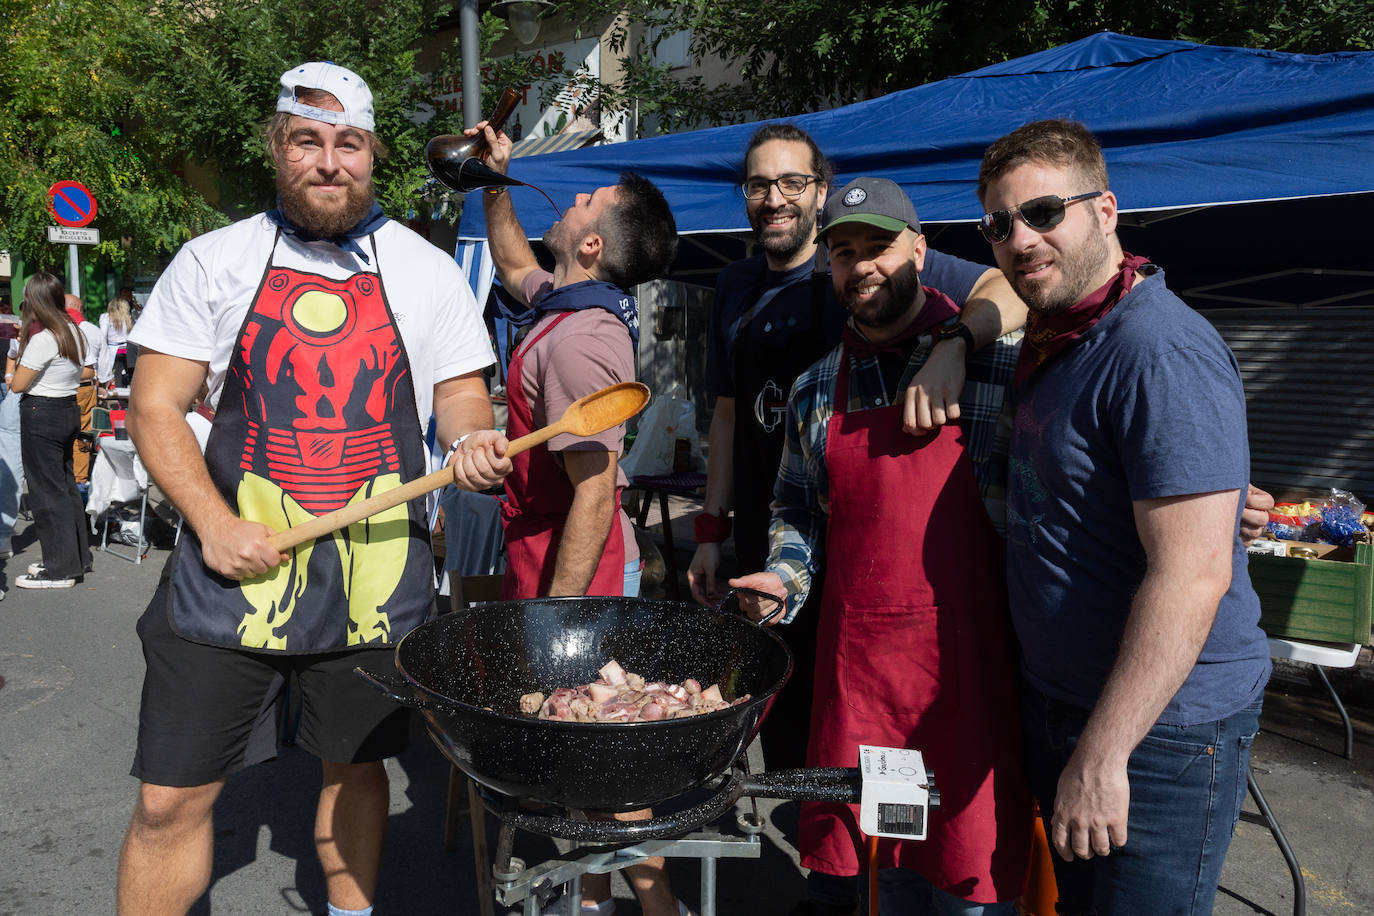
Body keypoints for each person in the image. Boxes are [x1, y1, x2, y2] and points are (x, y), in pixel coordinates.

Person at [116, 62, 508, 916]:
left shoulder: (425, 270)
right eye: (308, 141)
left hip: (375, 570)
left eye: (350, 143)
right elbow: (154, 405)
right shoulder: (214, 260)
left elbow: (460, 393)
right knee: (168, 800)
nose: (330, 162)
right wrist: (214, 527)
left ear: (371, 154)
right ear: (277, 149)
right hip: (229, 575)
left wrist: (473, 437)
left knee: (355, 767)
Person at [977, 119, 1271, 915]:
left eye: (1043, 213)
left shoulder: (1155, 347)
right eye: (1000, 225)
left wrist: (1104, 756)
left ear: (1105, 210)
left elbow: (1194, 572)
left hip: (1157, 736)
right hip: (1065, 707)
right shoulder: (1059, 335)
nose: (1021, 239)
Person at [732, 178, 1034, 915]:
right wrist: (782, 577)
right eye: (844, 253)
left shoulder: (1000, 364)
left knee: (969, 890)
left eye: (879, 247)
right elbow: (798, 507)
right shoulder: (814, 389)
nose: (861, 265)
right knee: (883, 880)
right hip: (865, 691)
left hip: (971, 690)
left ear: (922, 252)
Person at [464, 118, 687, 916]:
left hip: (575, 560)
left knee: (596, 752)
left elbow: (594, 492)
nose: (573, 195)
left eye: (588, 197)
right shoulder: (568, 304)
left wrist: (560, 614)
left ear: (593, 245)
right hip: (542, 545)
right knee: (577, 750)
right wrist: (497, 179)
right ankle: (591, 898)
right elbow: (515, 260)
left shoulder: (581, 342)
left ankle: (660, 908)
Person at [9, 272, 93, 589]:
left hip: (41, 412)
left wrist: (19, 349)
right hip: (67, 409)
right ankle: (76, 557)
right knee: (65, 486)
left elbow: (17, 384)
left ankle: (59, 568)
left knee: (46, 493)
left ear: (35, 301)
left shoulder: (44, 338)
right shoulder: (73, 330)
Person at [65, 294, 102, 487]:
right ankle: (79, 479)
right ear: (80, 308)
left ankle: (68, 477)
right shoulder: (93, 330)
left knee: (63, 434)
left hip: (61, 388)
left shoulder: (58, 328)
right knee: (82, 434)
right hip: (85, 387)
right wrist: (103, 385)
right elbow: (101, 365)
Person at [99, 295, 134, 386]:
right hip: (127, 349)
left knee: (115, 375)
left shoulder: (106, 317)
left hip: (113, 350)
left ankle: (118, 397)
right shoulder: (128, 317)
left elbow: (102, 335)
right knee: (130, 376)